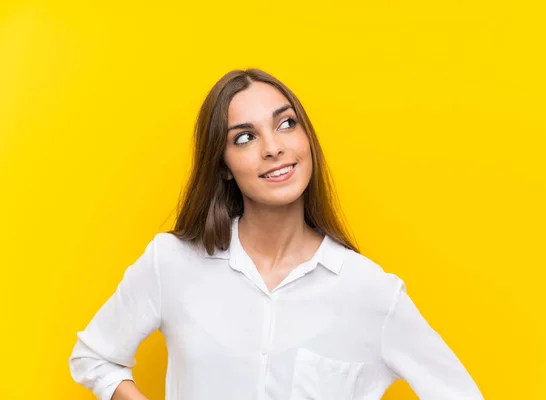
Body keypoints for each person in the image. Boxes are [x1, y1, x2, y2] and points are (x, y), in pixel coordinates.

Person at [68, 68, 484, 400]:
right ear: (224, 165)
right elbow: (94, 358)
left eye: (286, 124)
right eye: (245, 137)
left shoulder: (371, 291)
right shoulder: (172, 262)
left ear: (307, 140)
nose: (273, 147)